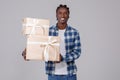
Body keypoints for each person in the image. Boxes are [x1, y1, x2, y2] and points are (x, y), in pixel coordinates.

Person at [22, 4, 81, 80]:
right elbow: (38, 45)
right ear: (56, 15)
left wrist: (63, 58)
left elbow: (77, 52)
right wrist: (28, 52)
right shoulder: (48, 31)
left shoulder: (74, 32)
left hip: (70, 74)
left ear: (68, 16)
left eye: (65, 13)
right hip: (53, 74)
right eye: (60, 13)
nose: (62, 15)